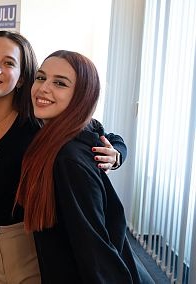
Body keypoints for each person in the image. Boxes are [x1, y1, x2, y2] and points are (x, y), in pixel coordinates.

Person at [0, 31, 127, 283]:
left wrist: (117, 153)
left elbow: (96, 131)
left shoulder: (39, 122)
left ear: (22, 78)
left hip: (31, 252)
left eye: (9, 62)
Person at [16, 50, 151, 283]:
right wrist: (118, 153)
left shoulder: (68, 159)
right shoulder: (64, 134)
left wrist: (116, 154)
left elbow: (94, 250)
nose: (44, 88)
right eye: (41, 78)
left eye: (60, 83)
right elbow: (110, 136)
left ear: (81, 95)